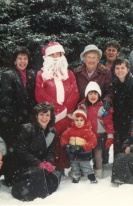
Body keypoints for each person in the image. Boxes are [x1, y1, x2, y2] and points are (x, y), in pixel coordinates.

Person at [35, 42, 80, 173]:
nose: (56, 57)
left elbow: (75, 92)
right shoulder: (41, 74)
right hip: (49, 116)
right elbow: (39, 93)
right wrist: (57, 109)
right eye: (52, 54)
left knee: (64, 140)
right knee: (50, 141)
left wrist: (65, 109)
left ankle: (62, 167)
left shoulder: (69, 74)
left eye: (58, 54)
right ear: (47, 57)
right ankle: (49, 166)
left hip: (66, 116)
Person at [7, 102, 61, 201]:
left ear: (51, 117)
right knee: (37, 177)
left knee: (55, 175)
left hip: (41, 165)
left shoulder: (52, 131)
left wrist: (47, 162)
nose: (44, 118)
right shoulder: (26, 129)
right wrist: (39, 163)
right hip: (25, 166)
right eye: (41, 114)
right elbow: (21, 152)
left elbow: (51, 151)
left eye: (47, 115)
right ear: (36, 115)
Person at [74, 44, 113, 167]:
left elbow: (110, 90)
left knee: (101, 132)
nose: (91, 60)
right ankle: (83, 163)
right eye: (88, 57)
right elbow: (74, 90)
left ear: (98, 59)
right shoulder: (77, 71)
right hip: (83, 107)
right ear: (84, 58)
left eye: (94, 57)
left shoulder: (105, 71)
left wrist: (107, 100)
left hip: (99, 106)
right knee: (83, 134)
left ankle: (102, 162)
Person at [0, 46, 36, 148]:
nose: (22, 61)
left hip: (28, 120)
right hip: (13, 121)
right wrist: (11, 121)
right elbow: (5, 101)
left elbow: (33, 98)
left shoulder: (31, 75)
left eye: (25, 58)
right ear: (15, 61)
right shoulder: (8, 75)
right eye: (20, 58)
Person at [78, 81, 114, 179]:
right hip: (87, 136)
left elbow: (109, 123)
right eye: (90, 93)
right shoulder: (82, 107)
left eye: (95, 93)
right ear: (86, 95)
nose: (93, 96)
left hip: (99, 136)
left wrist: (110, 136)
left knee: (98, 155)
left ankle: (99, 172)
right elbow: (77, 121)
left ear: (99, 95)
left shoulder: (103, 108)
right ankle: (84, 170)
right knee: (85, 154)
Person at [112, 58, 133, 156]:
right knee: (118, 147)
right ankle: (118, 165)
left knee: (130, 147)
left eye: (122, 68)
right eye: (117, 68)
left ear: (128, 69)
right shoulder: (114, 84)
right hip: (118, 121)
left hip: (132, 121)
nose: (120, 71)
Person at [61, 109, 98, 183]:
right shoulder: (70, 131)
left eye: (81, 120)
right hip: (73, 153)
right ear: (73, 121)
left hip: (84, 153)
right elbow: (63, 137)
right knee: (74, 166)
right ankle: (75, 177)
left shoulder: (87, 131)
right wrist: (65, 145)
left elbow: (93, 141)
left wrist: (84, 147)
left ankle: (91, 178)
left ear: (85, 121)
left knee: (86, 166)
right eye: (77, 120)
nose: (79, 122)